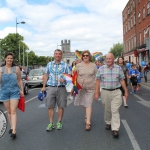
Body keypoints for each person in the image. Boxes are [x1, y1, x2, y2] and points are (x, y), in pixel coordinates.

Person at [94, 53, 128, 138]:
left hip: (116, 91)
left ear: (113, 59)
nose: (108, 60)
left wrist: (126, 91)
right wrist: (96, 92)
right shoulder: (101, 69)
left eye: (110, 58)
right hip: (105, 92)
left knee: (115, 110)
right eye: (107, 58)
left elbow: (122, 80)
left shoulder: (118, 68)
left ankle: (115, 129)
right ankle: (108, 122)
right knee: (107, 109)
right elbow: (97, 81)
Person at [41, 49, 70, 131]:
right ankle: (51, 123)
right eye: (56, 54)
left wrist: (64, 79)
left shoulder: (65, 65)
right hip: (51, 87)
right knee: (50, 106)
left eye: (59, 54)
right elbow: (46, 75)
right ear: (54, 55)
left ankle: (59, 122)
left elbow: (69, 76)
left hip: (61, 87)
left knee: (61, 106)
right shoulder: (49, 64)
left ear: (61, 56)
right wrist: (43, 86)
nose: (58, 55)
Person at [0, 52, 24, 139]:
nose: (10, 59)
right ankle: (11, 126)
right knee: (9, 111)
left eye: (11, 58)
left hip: (14, 91)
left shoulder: (16, 69)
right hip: (4, 92)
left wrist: (21, 90)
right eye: (8, 58)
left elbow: (20, 80)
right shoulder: (1, 69)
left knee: (13, 111)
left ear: (12, 59)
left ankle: (14, 131)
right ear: (5, 59)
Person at [74, 50, 97, 131]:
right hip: (81, 88)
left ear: (89, 56)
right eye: (84, 55)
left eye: (87, 55)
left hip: (91, 88)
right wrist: (74, 87)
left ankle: (88, 122)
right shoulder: (78, 65)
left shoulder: (93, 66)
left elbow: (96, 77)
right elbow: (75, 76)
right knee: (84, 103)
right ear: (82, 57)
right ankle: (87, 115)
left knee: (89, 103)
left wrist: (98, 90)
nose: (85, 57)